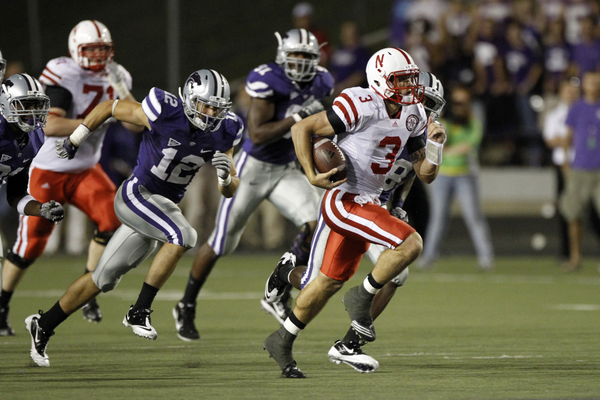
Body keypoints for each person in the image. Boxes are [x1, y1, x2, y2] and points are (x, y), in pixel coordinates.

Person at [25, 68, 243, 367]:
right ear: (189, 99)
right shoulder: (164, 110)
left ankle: (44, 323)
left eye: (218, 107)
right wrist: (75, 139)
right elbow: (110, 107)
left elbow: (230, 188)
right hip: (136, 194)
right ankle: (139, 311)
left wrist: (224, 177)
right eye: (207, 105)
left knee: (103, 278)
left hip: (160, 208)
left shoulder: (227, 129)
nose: (212, 112)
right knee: (184, 235)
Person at [262, 48, 446, 378]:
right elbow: (301, 128)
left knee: (324, 283)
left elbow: (425, 174)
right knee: (410, 244)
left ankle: (282, 340)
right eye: (400, 80)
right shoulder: (361, 103)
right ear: (380, 80)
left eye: (410, 79)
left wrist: (435, 146)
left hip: (370, 203)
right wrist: (311, 173)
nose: (409, 87)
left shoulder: (414, 111)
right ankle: (361, 300)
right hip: (345, 199)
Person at [172, 28, 334, 342]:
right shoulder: (267, 79)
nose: (301, 62)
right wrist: (298, 117)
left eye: (307, 57)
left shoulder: (323, 80)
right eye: (295, 55)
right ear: (283, 56)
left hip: (287, 169)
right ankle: (186, 303)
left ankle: (277, 287)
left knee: (318, 223)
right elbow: (257, 133)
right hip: (254, 169)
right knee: (222, 242)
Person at [0, 20, 143, 330]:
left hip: (86, 169)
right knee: (31, 244)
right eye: (91, 50)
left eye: (103, 50)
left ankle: (87, 291)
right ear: (75, 50)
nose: (97, 57)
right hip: (49, 168)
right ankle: (1, 304)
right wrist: (97, 120)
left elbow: (135, 124)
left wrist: (122, 90)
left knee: (112, 219)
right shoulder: (63, 72)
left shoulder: (117, 75)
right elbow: (48, 125)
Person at [0, 73, 65, 336]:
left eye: (37, 105)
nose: (33, 112)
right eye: (25, 105)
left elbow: (15, 193)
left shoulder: (33, 140)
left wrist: (40, 209)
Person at [418, 85, 494, 271]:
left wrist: (446, 150)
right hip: (443, 176)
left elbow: (468, 146)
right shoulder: (446, 121)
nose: (459, 106)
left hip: (465, 175)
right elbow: (436, 140)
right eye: (456, 102)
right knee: (438, 218)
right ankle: (428, 257)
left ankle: (486, 258)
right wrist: (445, 119)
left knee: (473, 216)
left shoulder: (473, 122)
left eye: (463, 102)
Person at [559, 71, 600, 271]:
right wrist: (566, 164)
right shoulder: (577, 108)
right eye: (590, 81)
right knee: (574, 214)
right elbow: (567, 137)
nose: (593, 84)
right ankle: (575, 257)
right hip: (580, 169)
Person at [543, 78, 579, 261]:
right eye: (567, 91)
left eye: (573, 91)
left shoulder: (584, 111)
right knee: (565, 209)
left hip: (584, 166)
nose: (570, 94)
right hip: (562, 166)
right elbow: (550, 140)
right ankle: (567, 252)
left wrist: (564, 139)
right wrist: (568, 140)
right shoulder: (555, 114)